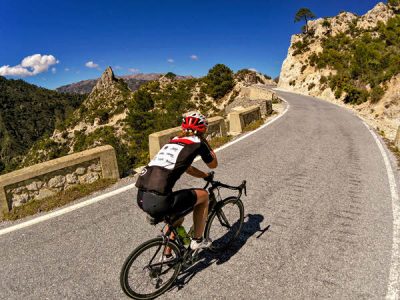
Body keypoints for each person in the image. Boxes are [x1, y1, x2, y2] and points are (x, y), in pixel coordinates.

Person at [135, 112, 218, 251]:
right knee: (204, 196)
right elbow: (213, 164)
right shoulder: (198, 143)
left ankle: (167, 254)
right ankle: (197, 240)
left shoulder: (173, 140)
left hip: (141, 197)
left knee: (176, 218)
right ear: (203, 129)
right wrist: (207, 144)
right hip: (159, 201)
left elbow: (188, 168)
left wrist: (204, 175)